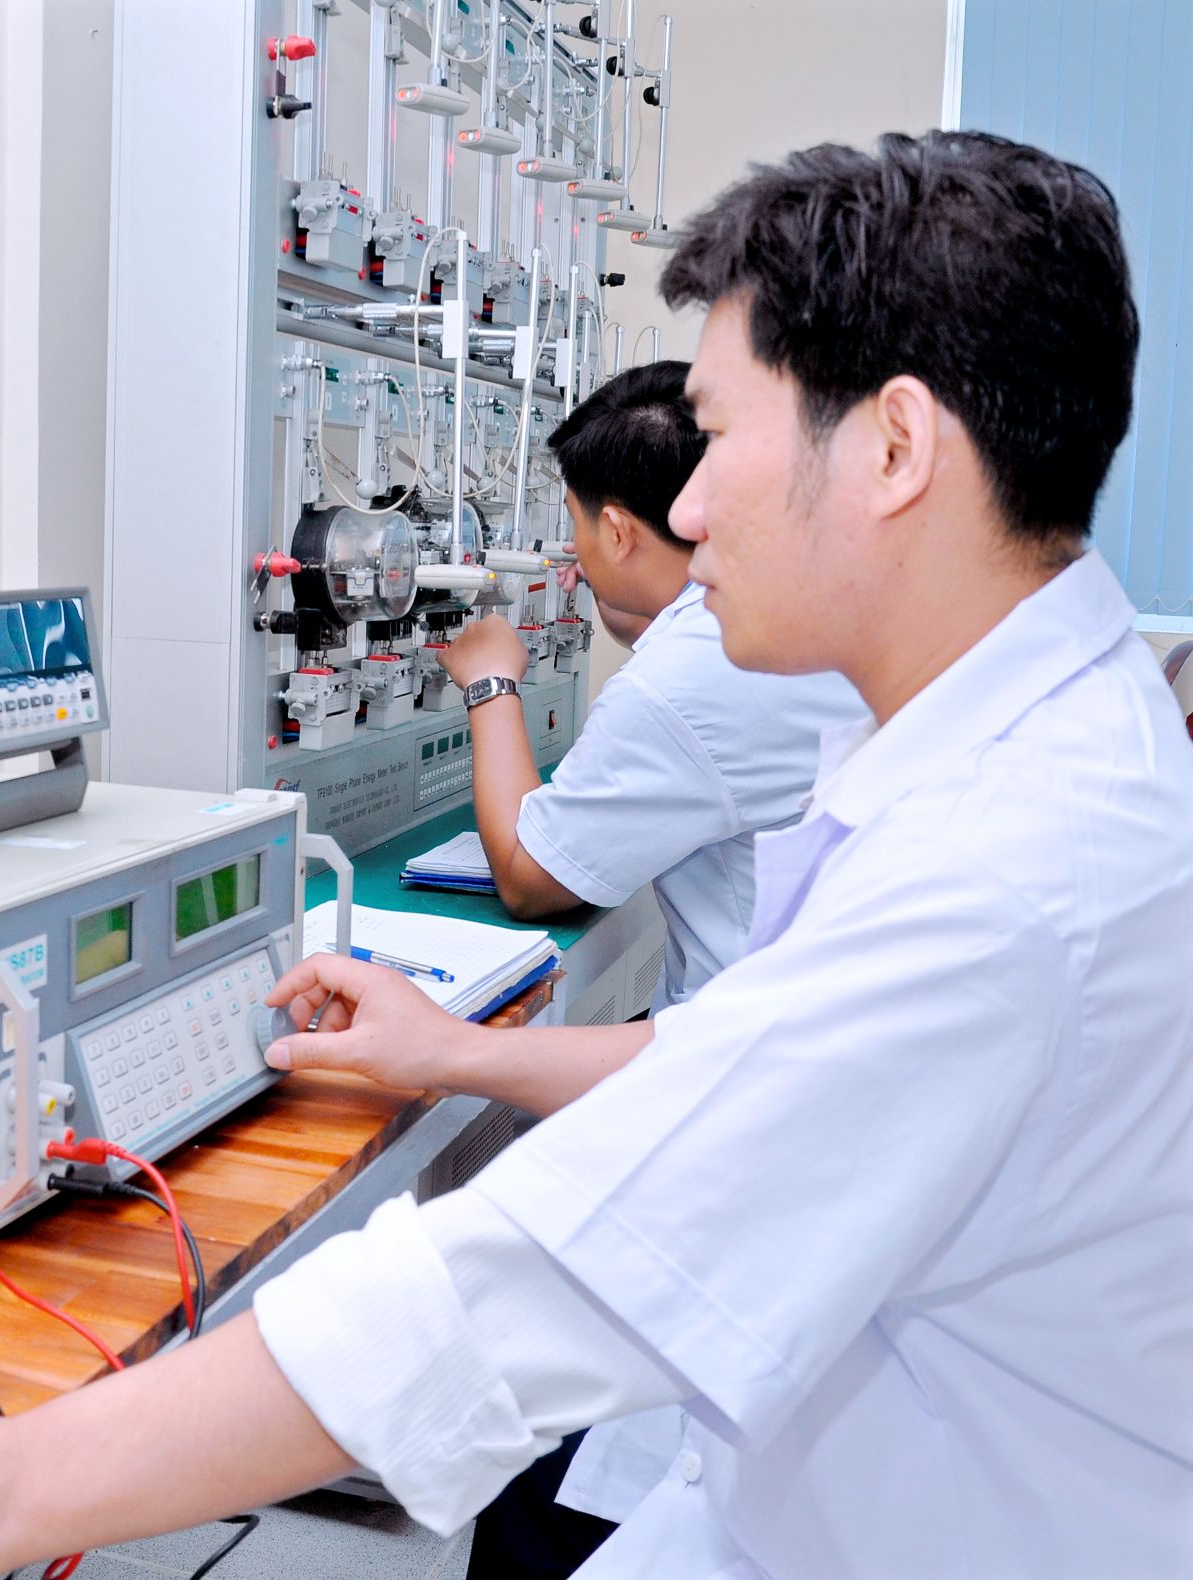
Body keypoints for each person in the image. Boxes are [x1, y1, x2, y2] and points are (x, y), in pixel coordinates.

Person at [0, 132, 1193, 1580]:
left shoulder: (1009, 872)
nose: (684, 504)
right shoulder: (1024, 749)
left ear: (895, 446)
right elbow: (751, 1063)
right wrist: (457, 1054)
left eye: (720, 434)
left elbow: (530, 1283)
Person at [445, 360, 866, 1576]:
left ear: (625, 527)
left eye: (577, 532)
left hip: (741, 1142)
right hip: (792, 1121)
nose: (575, 560)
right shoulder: (806, 625)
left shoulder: (694, 673)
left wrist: (489, 677)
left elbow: (533, 873)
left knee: (547, 1486)